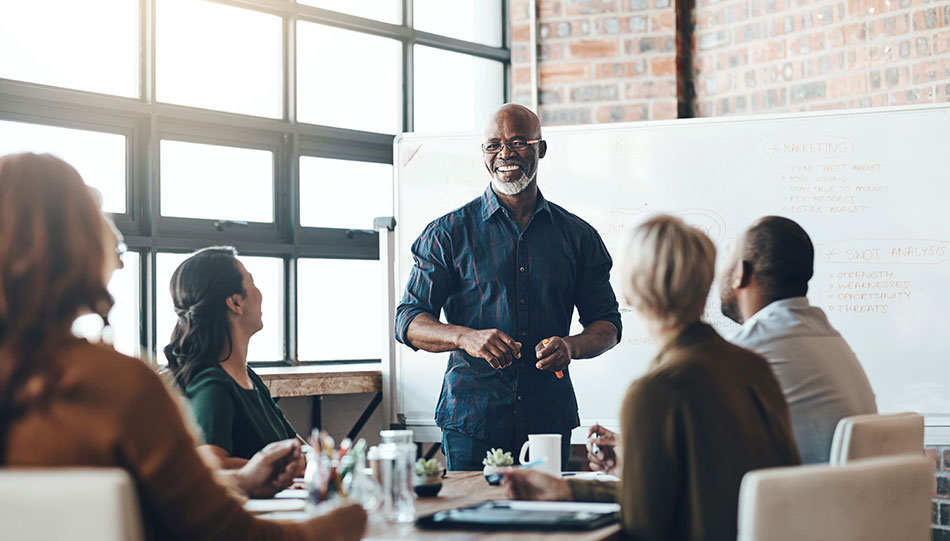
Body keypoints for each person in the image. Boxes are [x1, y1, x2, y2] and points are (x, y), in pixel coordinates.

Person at [0, 153, 365, 540]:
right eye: (101, 215)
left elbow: (150, 503)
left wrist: (239, 482)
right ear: (77, 244)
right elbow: (230, 535)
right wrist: (345, 522)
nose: (116, 238)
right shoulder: (115, 385)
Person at [504, 215, 800, 541]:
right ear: (706, 287)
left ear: (628, 295)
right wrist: (570, 487)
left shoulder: (655, 391)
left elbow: (645, 525)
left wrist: (573, 489)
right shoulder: (755, 367)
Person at [395, 104, 622, 470]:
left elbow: (608, 325)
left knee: (545, 525)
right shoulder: (447, 234)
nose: (505, 154)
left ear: (541, 149)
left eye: (518, 142)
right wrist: (464, 337)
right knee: (472, 525)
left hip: (548, 420)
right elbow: (407, 320)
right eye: (493, 145)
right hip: (472, 422)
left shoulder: (578, 237)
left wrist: (571, 346)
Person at [718, 216, 877, 464]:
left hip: (794, 500)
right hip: (845, 498)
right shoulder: (832, 340)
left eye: (726, 258)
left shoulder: (744, 352)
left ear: (740, 273)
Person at [164, 247, 302, 469]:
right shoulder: (212, 385)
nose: (260, 293)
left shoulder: (250, 378)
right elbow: (211, 465)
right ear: (236, 303)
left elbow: (299, 448)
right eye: (252, 282)